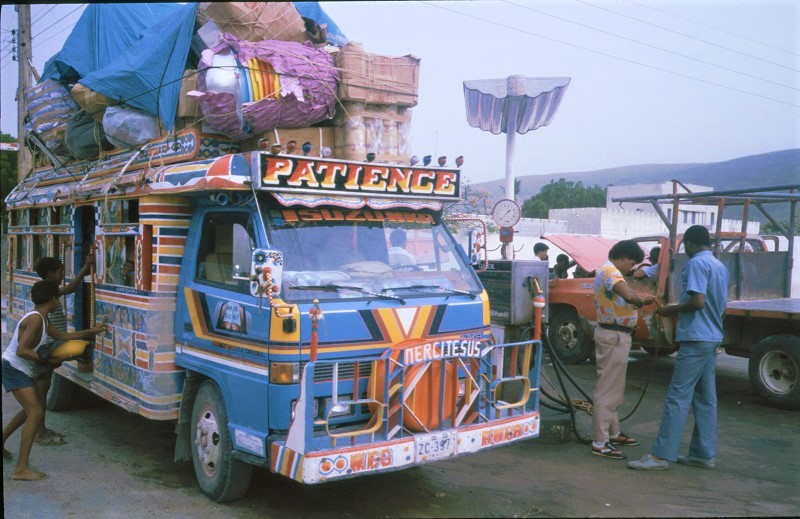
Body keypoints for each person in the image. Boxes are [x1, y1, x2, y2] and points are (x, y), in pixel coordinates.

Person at [628, 226, 728, 471]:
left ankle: (661, 455)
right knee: (705, 398)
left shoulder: (695, 264)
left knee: (677, 397)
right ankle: (703, 454)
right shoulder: (719, 266)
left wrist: (670, 309)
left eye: (686, 246)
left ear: (691, 244)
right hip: (712, 336)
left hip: (696, 338)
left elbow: (697, 301)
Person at [591, 240, 656, 460]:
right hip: (613, 335)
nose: (632, 268)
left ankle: (613, 432)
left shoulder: (606, 271)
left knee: (614, 389)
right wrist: (643, 299)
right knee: (608, 389)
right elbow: (629, 296)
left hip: (616, 334)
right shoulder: (610, 271)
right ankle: (600, 441)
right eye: (632, 263)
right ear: (624, 257)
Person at [32, 256, 105, 446]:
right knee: (41, 392)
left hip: (51, 347)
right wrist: (85, 267)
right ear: (49, 274)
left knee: (44, 388)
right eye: (59, 271)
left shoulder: (45, 290)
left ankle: (41, 429)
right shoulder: (49, 291)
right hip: (48, 348)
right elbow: (71, 288)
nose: (61, 274)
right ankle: (39, 433)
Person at [2, 281, 66, 480]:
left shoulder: (43, 319)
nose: (59, 303)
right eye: (58, 298)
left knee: (29, 410)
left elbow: (64, 336)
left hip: (20, 368)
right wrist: (47, 359)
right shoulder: (37, 320)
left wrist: (91, 332)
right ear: (53, 299)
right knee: (36, 412)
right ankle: (21, 469)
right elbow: (22, 350)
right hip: (14, 367)